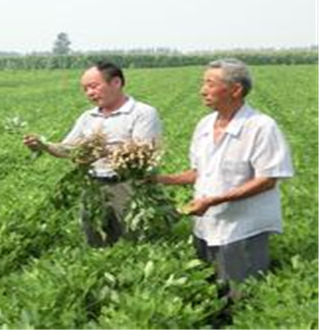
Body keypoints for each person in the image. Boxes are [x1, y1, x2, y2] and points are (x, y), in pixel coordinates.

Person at [156, 58, 294, 292]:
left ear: (235, 90)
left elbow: (268, 179)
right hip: (205, 226)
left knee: (241, 296)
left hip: (242, 229)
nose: (202, 91)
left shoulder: (260, 126)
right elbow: (199, 173)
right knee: (212, 292)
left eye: (210, 84)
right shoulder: (204, 125)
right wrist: (160, 180)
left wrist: (215, 201)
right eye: (203, 83)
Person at [23, 61, 162, 247]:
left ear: (116, 83)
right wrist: (44, 146)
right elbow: (69, 148)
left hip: (128, 186)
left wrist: (102, 151)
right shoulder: (88, 117)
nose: (89, 93)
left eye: (94, 86)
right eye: (85, 89)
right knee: (95, 238)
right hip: (94, 186)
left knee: (133, 239)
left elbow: (142, 155)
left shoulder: (142, 113)